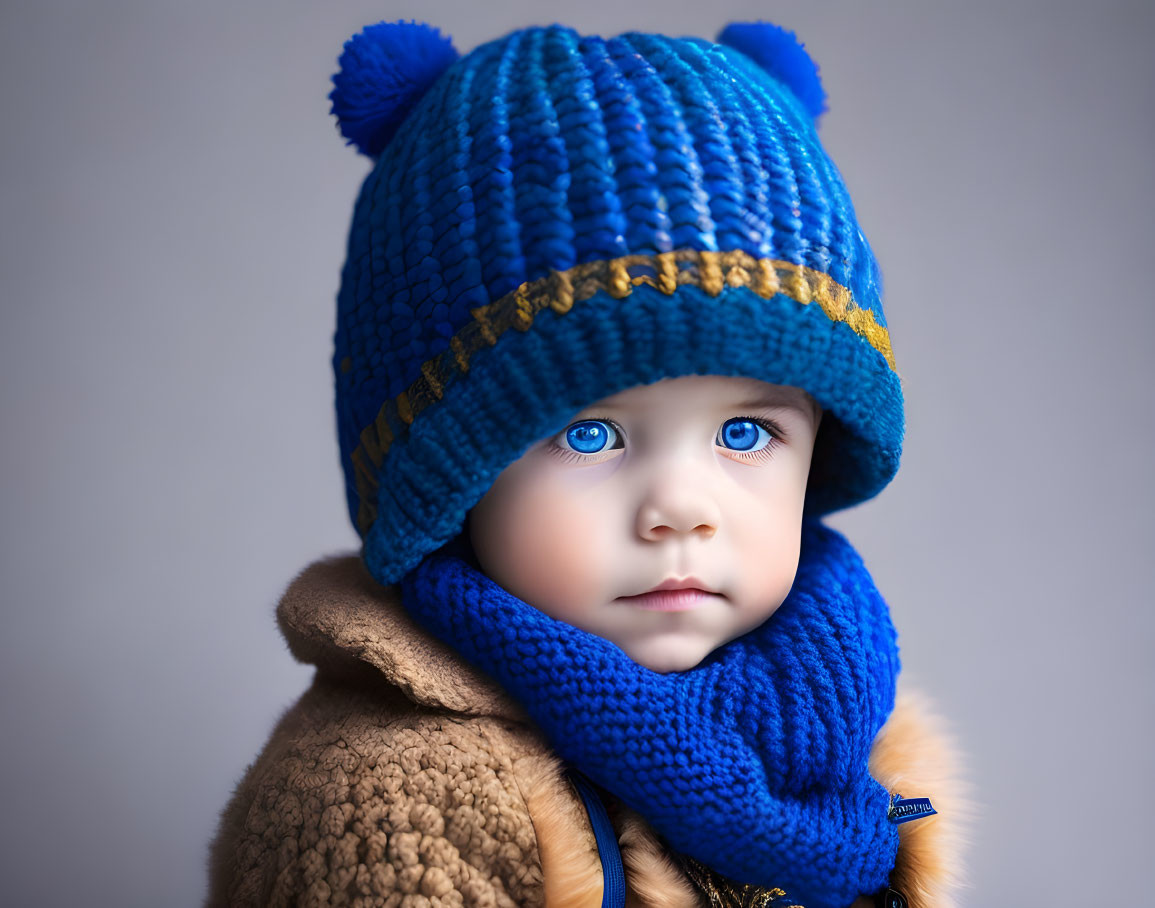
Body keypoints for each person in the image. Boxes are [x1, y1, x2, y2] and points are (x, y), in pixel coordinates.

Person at [207, 19, 968, 907]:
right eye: (589, 434)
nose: (682, 508)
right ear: (449, 485)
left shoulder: (848, 738)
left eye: (746, 434)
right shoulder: (386, 804)